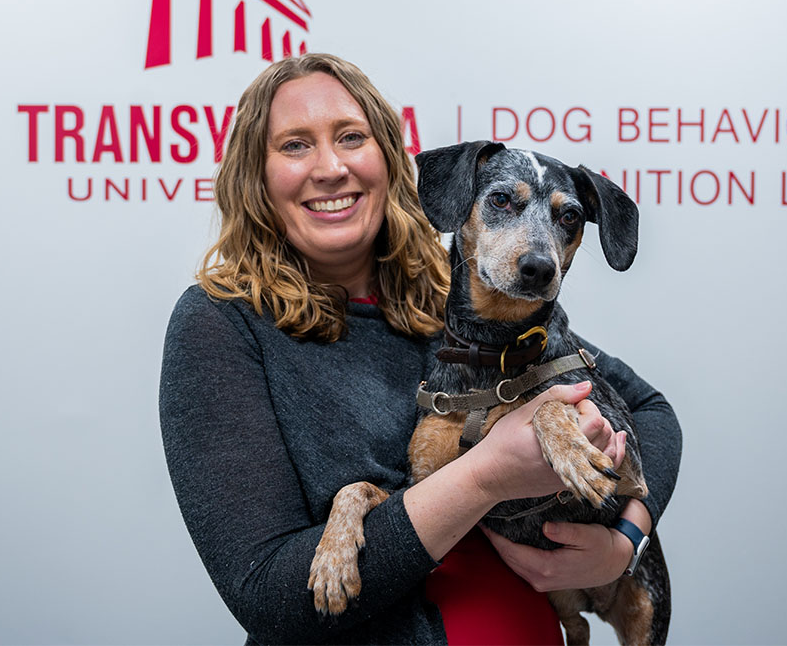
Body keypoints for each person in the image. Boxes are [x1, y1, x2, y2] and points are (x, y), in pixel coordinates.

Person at [159, 53, 682, 645]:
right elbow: (268, 597)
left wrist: (623, 544)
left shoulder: (460, 297)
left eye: (351, 137)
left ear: (387, 158)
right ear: (254, 173)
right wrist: (487, 476)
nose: (330, 167)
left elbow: (650, 412)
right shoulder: (221, 323)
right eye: (295, 145)